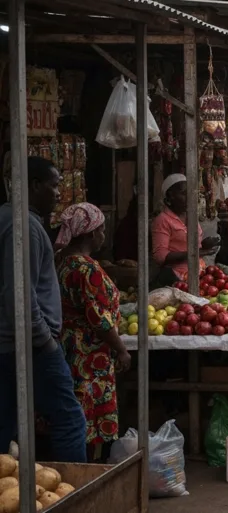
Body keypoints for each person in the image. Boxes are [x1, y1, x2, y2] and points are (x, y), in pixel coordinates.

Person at [0, 156, 87, 462]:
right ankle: (73, 496)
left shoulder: (11, 220)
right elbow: (19, 294)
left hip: (12, 344)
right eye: (53, 186)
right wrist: (45, 340)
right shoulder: (24, 227)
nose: (58, 194)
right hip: (30, 345)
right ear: (34, 186)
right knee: (69, 418)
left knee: (6, 422)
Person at [55, 203, 131, 461]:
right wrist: (121, 350)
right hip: (89, 352)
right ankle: (87, 467)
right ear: (89, 234)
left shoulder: (64, 262)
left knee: (75, 406)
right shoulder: (87, 269)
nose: (103, 236)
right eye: (101, 230)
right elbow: (99, 318)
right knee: (88, 411)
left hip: (69, 345)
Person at [152, 174, 220, 282]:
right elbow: (160, 257)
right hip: (177, 278)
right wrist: (197, 253)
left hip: (199, 274)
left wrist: (205, 245)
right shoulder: (162, 220)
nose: (189, 196)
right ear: (170, 196)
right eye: (184, 193)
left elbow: (191, 245)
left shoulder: (190, 216)